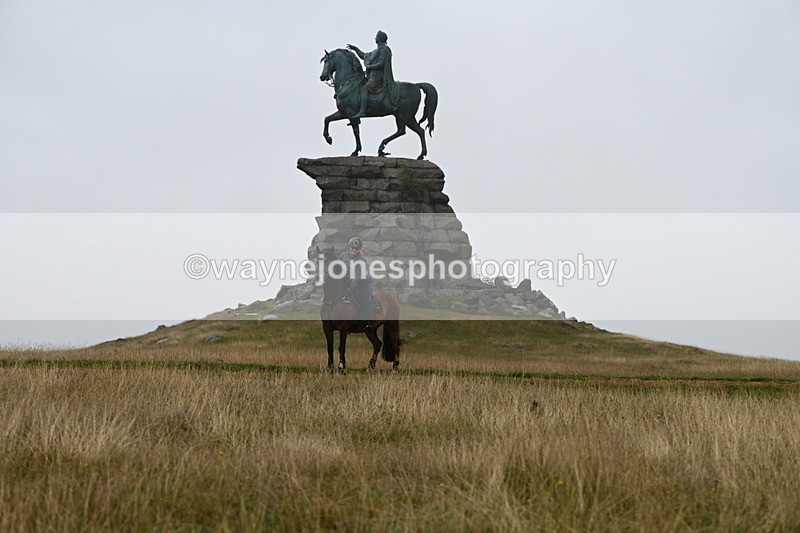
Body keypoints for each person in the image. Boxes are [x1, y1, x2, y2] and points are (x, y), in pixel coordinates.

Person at [347, 30, 401, 119]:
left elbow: (381, 63)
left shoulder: (384, 49)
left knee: (365, 88)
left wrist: (370, 67)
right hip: (372, 76)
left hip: (379, 77)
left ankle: (362, 111)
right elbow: (364, 56)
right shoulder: (376, 51)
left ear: (380, 39)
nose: (375, 38)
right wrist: (355, 49)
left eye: (376, 37)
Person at [339, 236, 378, 328]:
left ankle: (368, 322)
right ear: (349, 247)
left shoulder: (361, 260)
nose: (353, 250)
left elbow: (357, 278)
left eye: (356, 249)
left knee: (364, 300)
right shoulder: (343, 256)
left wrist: (350, 289)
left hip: (363, 282)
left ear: (359, 249)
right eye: (352, 248)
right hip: (349, 280)